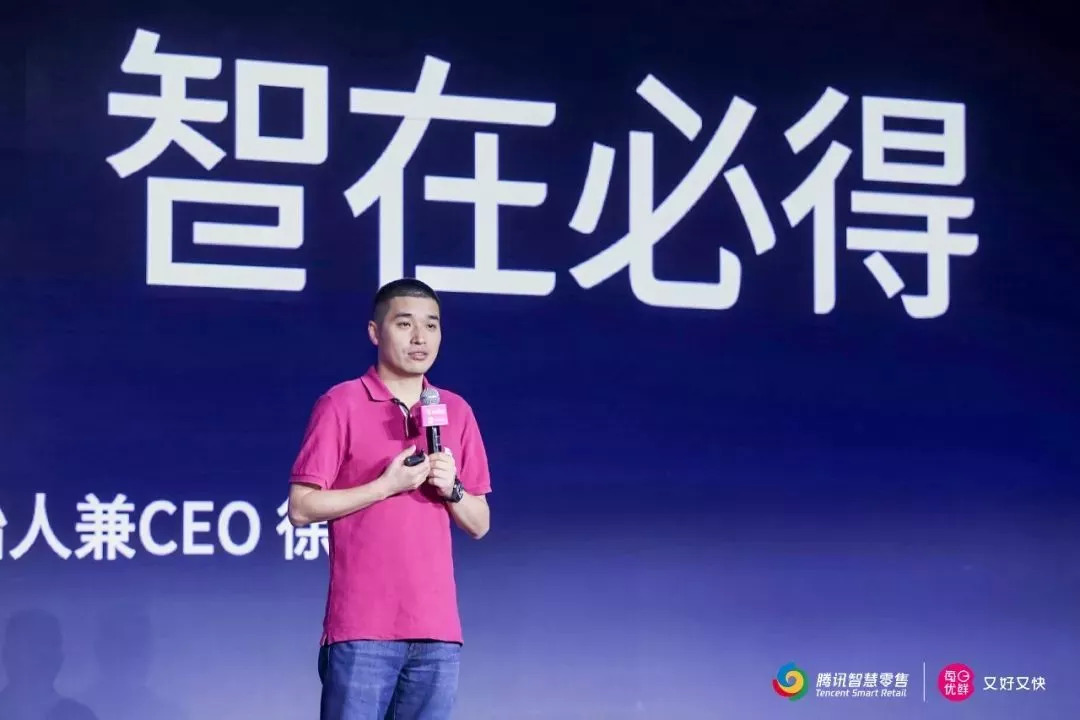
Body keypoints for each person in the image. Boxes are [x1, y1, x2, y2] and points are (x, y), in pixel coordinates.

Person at [287, 278, 492, 720]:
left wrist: (453, 488)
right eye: (404, 324)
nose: (420, 338)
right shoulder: (340, 402)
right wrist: (385, 486)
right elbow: (301, 507)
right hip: (363, 629)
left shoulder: (455, 410)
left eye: (431, 325)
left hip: (437, 632)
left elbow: (480, 522)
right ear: (374, 332)